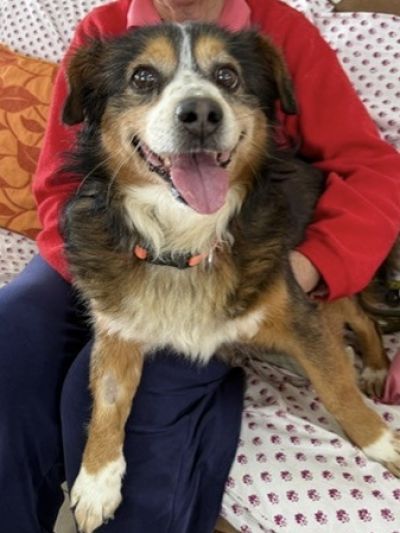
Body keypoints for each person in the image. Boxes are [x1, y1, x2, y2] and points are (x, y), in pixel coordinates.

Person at [0, 0, 399, 532]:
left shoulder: (282, 29)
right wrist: (113, 296)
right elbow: (58, 182)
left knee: (104, 399)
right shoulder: (102, 28)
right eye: (144, 78)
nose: (198, 108)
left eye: (226, 79)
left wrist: (311, 265)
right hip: (100, 245)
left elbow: (371, 167)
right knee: (10, 337)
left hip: (233, 253)